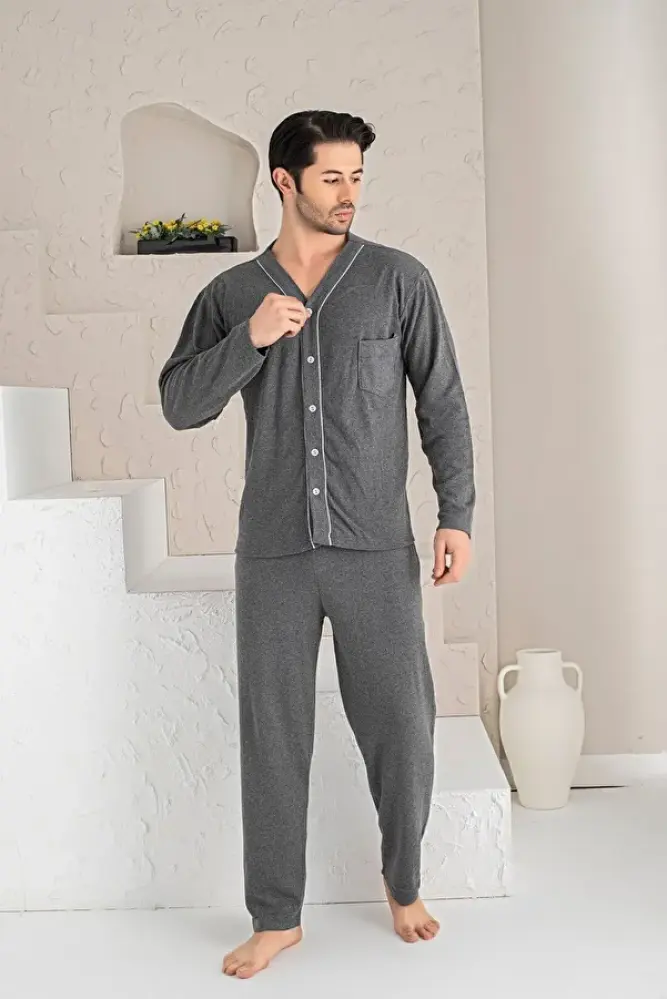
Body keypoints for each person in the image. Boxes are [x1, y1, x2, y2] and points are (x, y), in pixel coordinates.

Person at [159, 109, 476, 980]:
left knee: (402, 725)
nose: (348, 194)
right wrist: (250, 339)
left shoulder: (399, 280)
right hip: (273, 550)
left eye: (356, 177)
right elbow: (180, 402)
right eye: (331, 177)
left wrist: (455, 514)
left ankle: (403, 883)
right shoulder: (232, 294)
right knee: (273, 734)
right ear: (284, 181)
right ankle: (276, 917)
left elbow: (442, 402)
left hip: (375, 546)